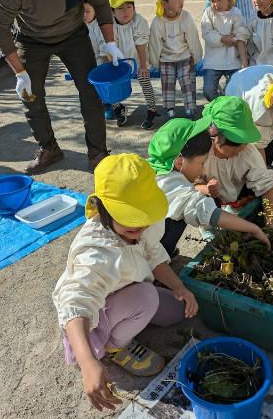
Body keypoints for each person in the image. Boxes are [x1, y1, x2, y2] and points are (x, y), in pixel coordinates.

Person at [52, 153, 198, 411]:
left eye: (143, 214)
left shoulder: (142, 225)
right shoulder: (96, 251)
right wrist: (88, 364)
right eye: (129, 216)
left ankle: (133, 313)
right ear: (103, 207)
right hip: (96, 311)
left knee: (177, 310)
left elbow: (153, 255)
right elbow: (76, 301)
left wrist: (178, 286)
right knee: (147, 297)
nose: (140, 224)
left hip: (125, 291)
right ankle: (114, 347)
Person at [0, 0, 123, 174]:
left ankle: (98, 153)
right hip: (30, 38)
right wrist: (19, 72)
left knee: (91, 89)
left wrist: (110, 42)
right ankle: (49, 147)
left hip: (73, 34)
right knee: (31, 94)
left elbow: (101, 2)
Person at [147, 117, 271, 257]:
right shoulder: (175, 188)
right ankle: (158, 256)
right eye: (202, 163)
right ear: (180, 163)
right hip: (139, 248)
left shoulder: (154, 168)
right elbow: (211, 214)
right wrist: (254, 229)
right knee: (180, 215)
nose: (202, 169)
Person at [197, 95, 273, 225]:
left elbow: (266, 186)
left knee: (269, 173)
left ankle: (236, 208)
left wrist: (270, 223)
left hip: (236, 190)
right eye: (234, 145)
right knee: (202, 201)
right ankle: (207, 225)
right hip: (212, 195)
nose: (241, 148)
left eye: (245, 142)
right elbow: (186, 186)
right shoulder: (200, 153)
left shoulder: (247, 151)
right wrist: (206, 189)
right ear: (214, 134)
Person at [149, 0, 203, 120]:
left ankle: (190, 110)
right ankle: (170, 111)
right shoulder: (158, 22)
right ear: (164, 4)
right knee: (167, 81)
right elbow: (154, 45)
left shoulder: (185, 17)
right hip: (166, 59)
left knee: (186, 79)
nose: (181, 1)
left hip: (184, 57)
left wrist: (196, 59)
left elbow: (193, 39)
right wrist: (155, 64)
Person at [107, 0, 157, 130]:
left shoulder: (138, 20)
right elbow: (112, 45)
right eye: (120, 8)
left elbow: (140, 43)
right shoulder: (112, 25)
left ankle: (151, 109)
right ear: (112, 12)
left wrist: (143, 65)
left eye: (129, 7)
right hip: (121, 63)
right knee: (112, 83)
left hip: (139, 60)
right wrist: (114, 65)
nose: (126, 12)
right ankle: (118, 107)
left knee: (144, 79)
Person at [200, 0, 250, 102]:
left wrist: (244, 62)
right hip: (213, 62)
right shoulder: (208, 13)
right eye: (212, 0)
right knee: (208, 90)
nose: (215, 4)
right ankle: (219, 106)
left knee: (234, 89)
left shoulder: (236, 13)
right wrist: (222, 39)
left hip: (233, 61)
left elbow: (241, 37)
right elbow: (206, 33)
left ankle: (227, 108)